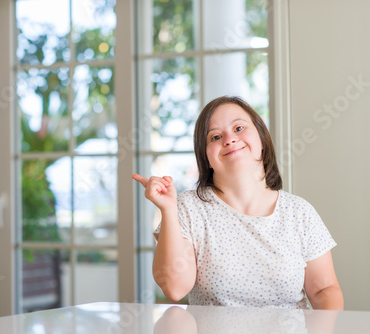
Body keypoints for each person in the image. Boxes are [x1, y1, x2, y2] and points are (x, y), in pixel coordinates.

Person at [132, 96, 343, 310]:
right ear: (206, 157)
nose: (229, 139)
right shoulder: (189, 207)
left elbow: (323, 290)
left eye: (239, 128)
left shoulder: (299, 211)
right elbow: (174, 288)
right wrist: (168, 210)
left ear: (261, 138)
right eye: (215, 136)